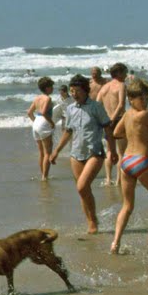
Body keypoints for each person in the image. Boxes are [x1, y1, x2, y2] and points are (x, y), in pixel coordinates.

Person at [110, 78, 148, 254]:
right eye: (141, 99)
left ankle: (115, 243)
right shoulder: (145, 115)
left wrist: (132, 133)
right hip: (142, 161)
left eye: (147, 98)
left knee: (127, 206)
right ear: (131, 99)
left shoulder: (127, 114)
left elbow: (116, 133)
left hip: (126, 161)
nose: (145, 102)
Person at [50, 75, 111, 234]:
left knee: (82, 186)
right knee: (83, 191)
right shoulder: (70, 109)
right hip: (76, 153)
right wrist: (56, 151)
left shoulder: (96, 107)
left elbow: (108, 128)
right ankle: (91, 221)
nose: (74, 94)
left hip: (94, 152)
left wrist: (114, 150)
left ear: (85, 90)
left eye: (77, 91)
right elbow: (68, 131)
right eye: (71, 91)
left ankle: (93, 221)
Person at [97, 63, 129, 186]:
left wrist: (105, 119)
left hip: (106, 120)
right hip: (119, 119)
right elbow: (121, 104)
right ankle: (118, 181)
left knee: (109, 151)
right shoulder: (121, 85)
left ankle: (108, 179)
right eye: (125, 72)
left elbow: (97, 103)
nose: (126, 75)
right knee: (121, 152)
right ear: (119, 73)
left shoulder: (104, 87)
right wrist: (113, 119)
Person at [26, 77, 56, 181]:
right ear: (47, 88)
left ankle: (43, 174)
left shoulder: (37, 98)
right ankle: (45, 177)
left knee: (41, 153)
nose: (53, 88)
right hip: (44, 122)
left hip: (36, 122)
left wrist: (35, 122)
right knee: (47, 152)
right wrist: (52, 123)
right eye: (51, 86)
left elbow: (29, 112)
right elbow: (44, 112)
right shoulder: (47, 98)